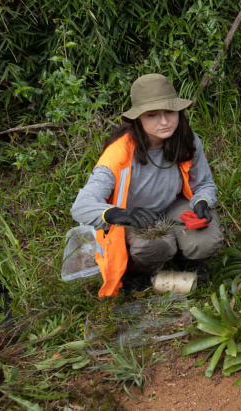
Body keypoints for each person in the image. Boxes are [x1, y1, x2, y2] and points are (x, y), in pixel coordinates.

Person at [71, 74, 223, 297]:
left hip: (173, 206)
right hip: (136, 216)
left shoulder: (186, 140)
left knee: (206, 241)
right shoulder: (118, 153)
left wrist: (202, 201)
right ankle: (137, 271)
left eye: (170, 113)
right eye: (152, 115)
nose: (164, 121)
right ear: (138, 119)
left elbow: (205, 184)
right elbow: (80, 206)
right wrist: (118, 214)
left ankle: (187, 259)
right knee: (155, 247)